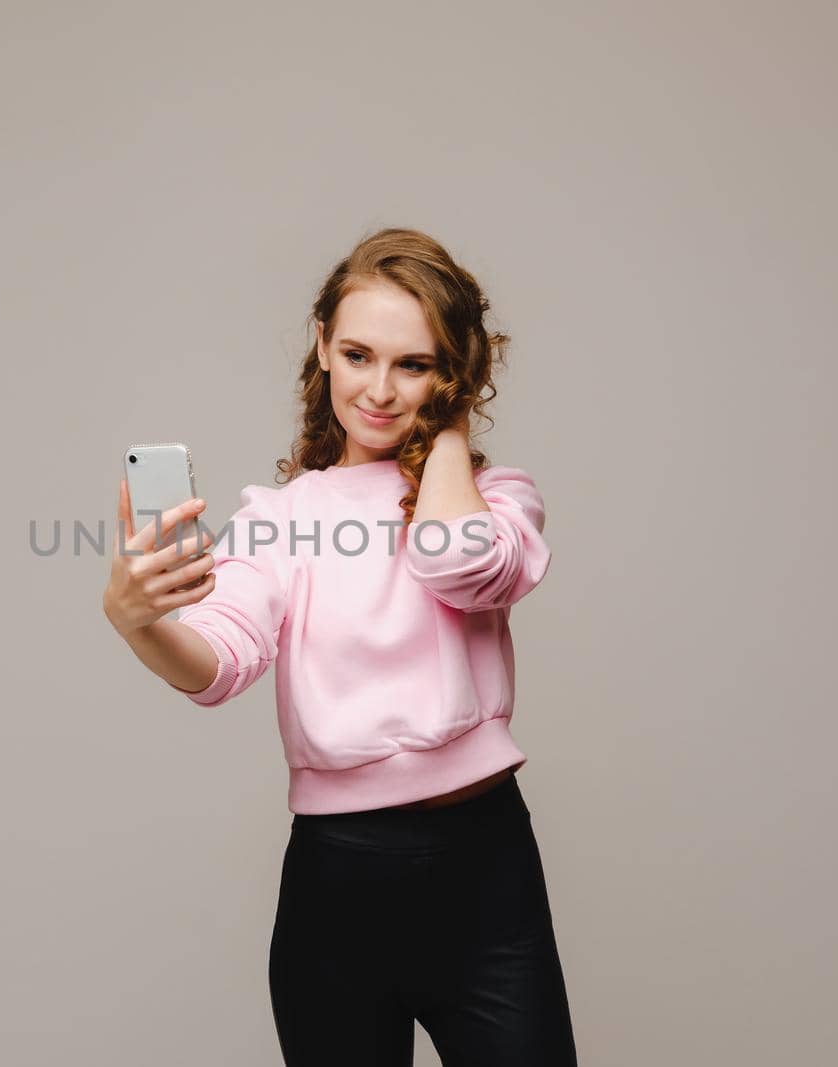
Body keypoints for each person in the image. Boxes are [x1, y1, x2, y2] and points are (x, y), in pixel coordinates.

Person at [101, 227, 577, 1065]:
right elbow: (218, 663)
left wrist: (451, 427)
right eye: (357, 354)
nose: (381, 390)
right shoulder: (279, 519)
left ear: (453, 373)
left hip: (485, 876)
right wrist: (142, 621)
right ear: (322, 346)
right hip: (338, 891)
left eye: (416, 364)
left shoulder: (496, 499)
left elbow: (459, 562)